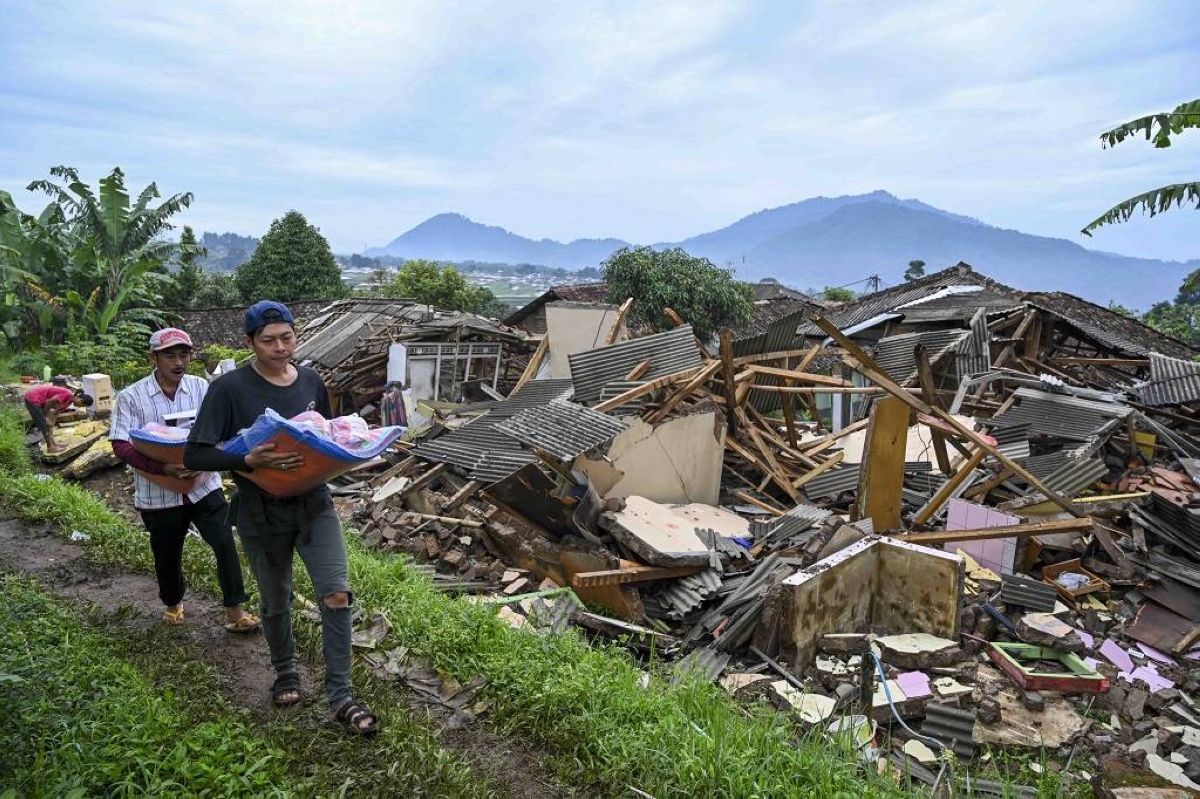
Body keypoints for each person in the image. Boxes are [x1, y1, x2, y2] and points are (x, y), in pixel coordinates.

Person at [184, 301, 380, 736]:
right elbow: (195, 453)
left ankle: (340, 695)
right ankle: (286, 671)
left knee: (336, 595)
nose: (279, 347)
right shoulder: (229, 389)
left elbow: (328, 435)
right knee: (275, 602)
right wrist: (245, 457)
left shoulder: (310, 379)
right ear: (249, 342)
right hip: (259, 510)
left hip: (314, 507)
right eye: (268, 340)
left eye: (287, 337)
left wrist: (351, 456)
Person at [109, 328, 260, 633]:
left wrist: (208, 457)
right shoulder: (131, 397)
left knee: (223, 543)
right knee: (167, 553)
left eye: (184, 354)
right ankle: (173, 602)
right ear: (153, 357)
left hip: (203, 484)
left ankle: (235, 610)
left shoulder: (200, 387)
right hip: (158, 490)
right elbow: (121, 444)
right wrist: (163, 468)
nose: (179, 362)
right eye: (170, 355)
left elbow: (219, 428)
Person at [24, 383, 93, 452]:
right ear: (80, 400)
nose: (79, 407)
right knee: (44, 424)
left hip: (40, 400)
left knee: (49, 425)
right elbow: (49, 402)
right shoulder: (67, 394)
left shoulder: (68, 402)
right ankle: (50, 447)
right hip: (33, 397)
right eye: (81, 406)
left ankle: (54, 443)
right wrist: (46, 417)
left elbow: (55, 413)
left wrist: (51, 424)